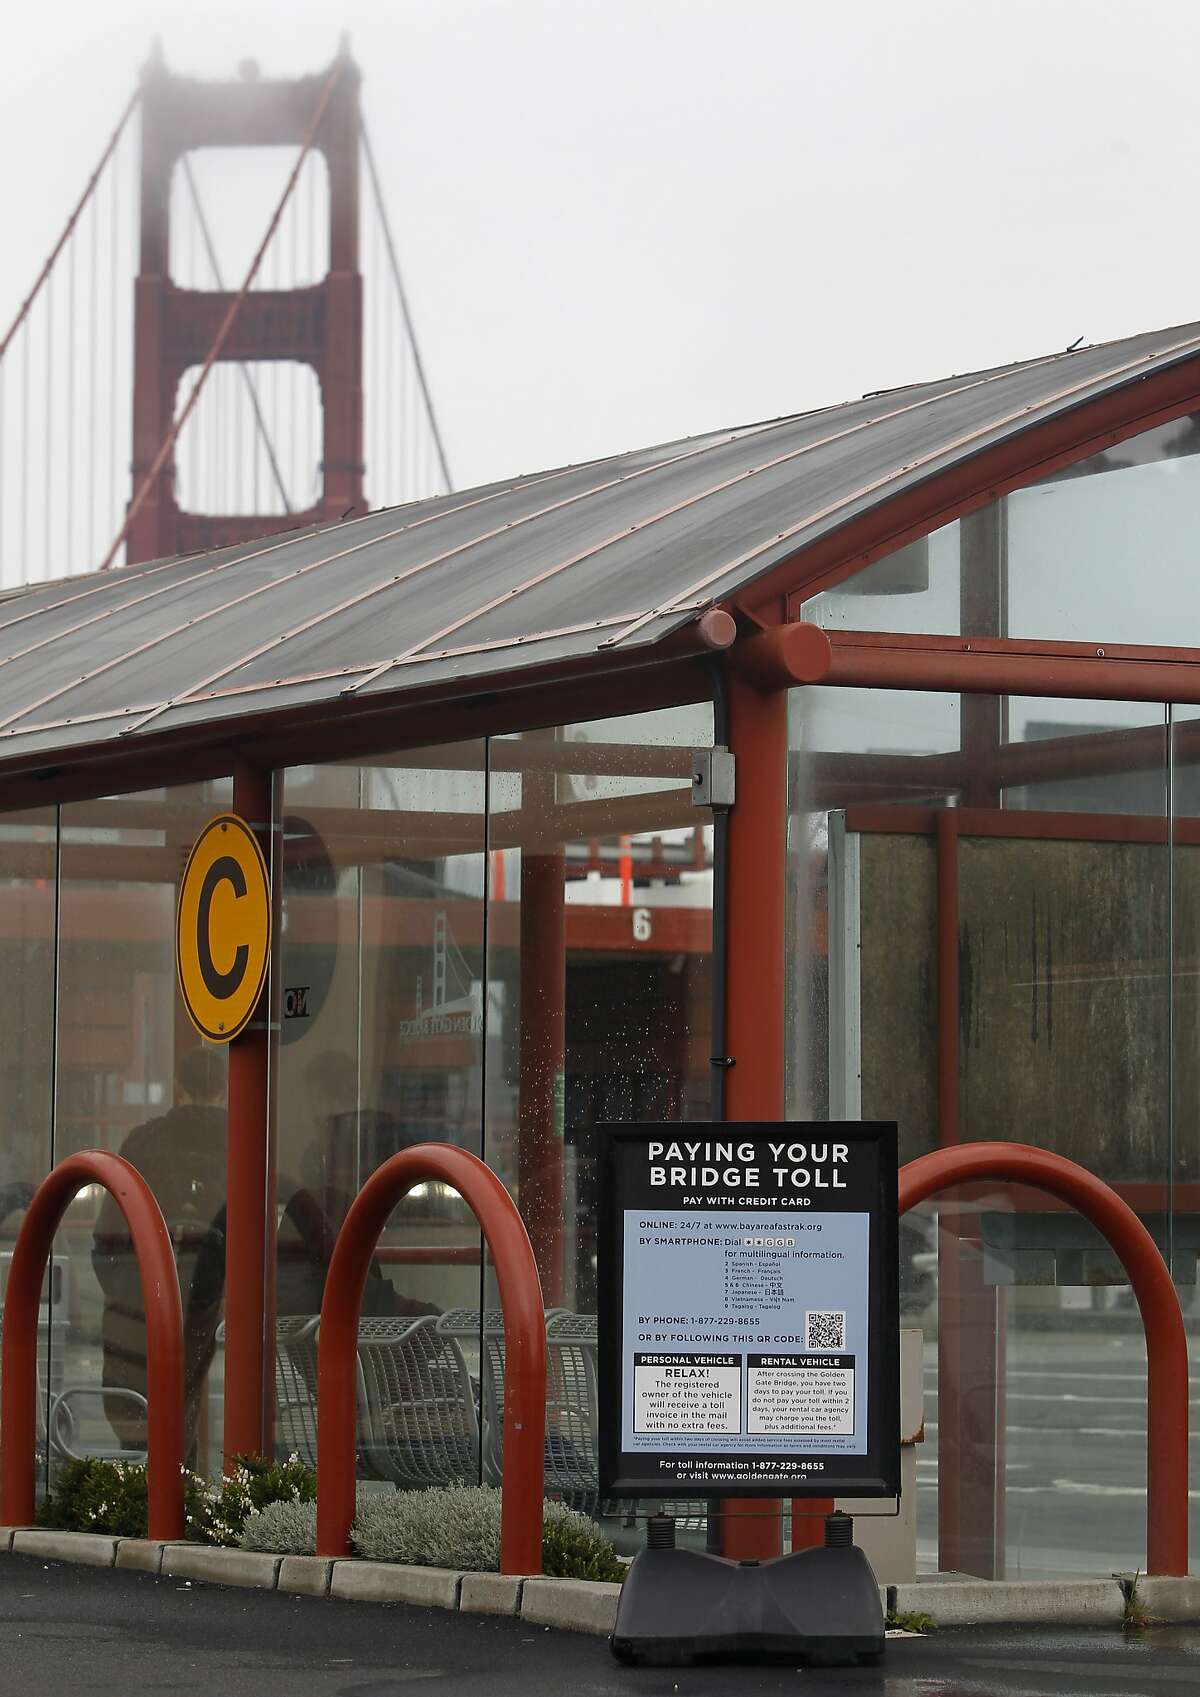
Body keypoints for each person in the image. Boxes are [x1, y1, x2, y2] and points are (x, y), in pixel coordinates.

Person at [92, 1046, 227, 1461]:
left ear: (177, 1090)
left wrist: (127, 1288)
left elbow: (108, 1234)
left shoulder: (143, 1142)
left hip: (141, 1290)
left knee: (136, 1396)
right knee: (184, 1394)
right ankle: (180, 1484)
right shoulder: (243, 1141)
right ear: (223, 1093)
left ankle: (139, 1487)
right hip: (207, 1288)